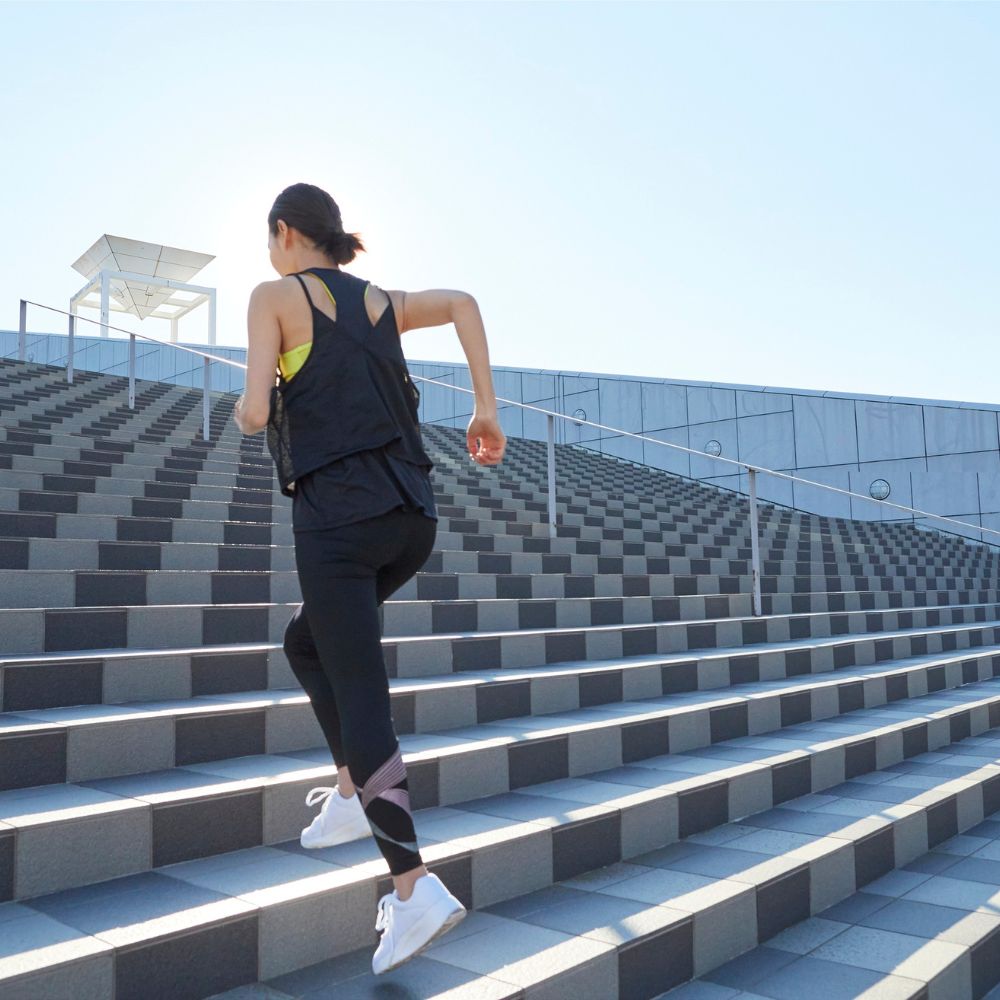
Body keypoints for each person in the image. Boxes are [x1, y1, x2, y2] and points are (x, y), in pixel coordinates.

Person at [232, 182, 506, 974]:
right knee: (306, 643)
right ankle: (353, 792)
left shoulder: (273, 297)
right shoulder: (381, 301)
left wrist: (254, 405)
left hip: (338, 521)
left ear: (286, 232)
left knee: (359, 691)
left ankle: (413, 887)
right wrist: (485, 409)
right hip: (409, 516)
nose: (270, 252)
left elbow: (255, 413)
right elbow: (463, 303)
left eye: (270, 239)